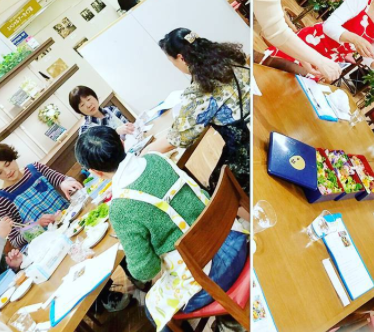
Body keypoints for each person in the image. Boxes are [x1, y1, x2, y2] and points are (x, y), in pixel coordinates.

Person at [75, 126, 248, 331]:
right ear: (122, 142)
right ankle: (227, 320)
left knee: (153, 308)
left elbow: (146, 271)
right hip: (236, 238)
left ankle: (227, 318)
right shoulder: (156, 159)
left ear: (96, 172)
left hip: (213, 275)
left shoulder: (121, 208)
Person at [143, 28, 250, 192]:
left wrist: (144, 153)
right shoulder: (228, 57)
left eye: (173, 62)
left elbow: (177, 138)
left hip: (248, 147)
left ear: (181, 58)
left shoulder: (200, 91)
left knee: (215, 184)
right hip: (260, 118)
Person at [0, 143, 83, 249]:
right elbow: (15, 241)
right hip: (49, 245)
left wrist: (64, 182)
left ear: (12, 157)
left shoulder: (36, 168)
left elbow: (60, 179)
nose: (8, 172)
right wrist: (37, 225)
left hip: (74, 222)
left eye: (7, 164)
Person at [68, 85, 135, 139]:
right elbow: (98, 150)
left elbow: (129, 127)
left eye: (88, 99)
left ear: (94, 96)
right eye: (82, 105)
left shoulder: (112, 109)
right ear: (78, 110)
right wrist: (116, 132)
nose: (88, 105)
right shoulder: (85, 130)